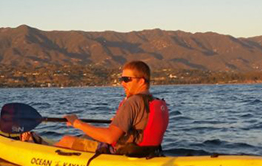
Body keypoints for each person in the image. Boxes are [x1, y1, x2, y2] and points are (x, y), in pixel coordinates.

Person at [23, 60, 169, 157]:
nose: (122, 84)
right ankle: (38, 141)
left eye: (126, 80)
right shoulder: (153, 101)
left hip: (123, 154)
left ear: (141, 81)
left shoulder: (131, 103)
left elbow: (110, 137)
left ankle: (33, 147)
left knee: (67, 140)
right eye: (121, 79)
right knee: (86, 137)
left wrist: (77, 124)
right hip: (147, 152)